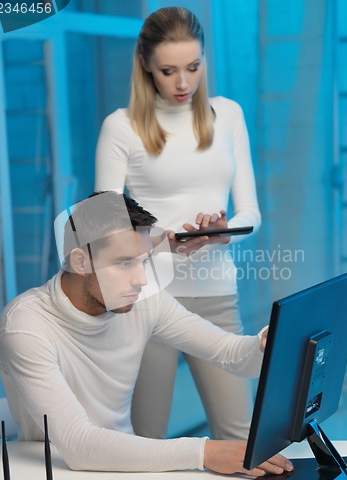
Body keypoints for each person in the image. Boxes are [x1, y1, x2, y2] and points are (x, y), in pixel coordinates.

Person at [0, 191, 292, 476]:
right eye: (125, 263)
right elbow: (79, 445)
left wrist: (265, 343)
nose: (140, 279)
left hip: (130, 471)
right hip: (55, 476)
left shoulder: (144, 300)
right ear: (80, 262)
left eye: (145, 261)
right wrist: (204, 452)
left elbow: (235, 357)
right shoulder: (25, 327)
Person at [95, 7, 261, 441]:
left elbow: (251, 213)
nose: (183, 83)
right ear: (146, 64)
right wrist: (161, 241)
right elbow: (103, 224)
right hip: (148, 298)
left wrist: (225, 229)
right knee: (145, 439)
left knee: (242, 439)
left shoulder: (228, 115)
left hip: (218, 295)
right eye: (169, 71)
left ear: (204, 59)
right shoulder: (121, 127)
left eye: (193, 67)